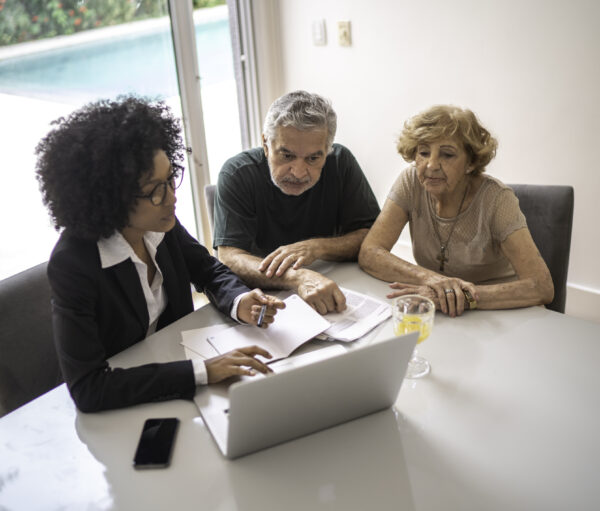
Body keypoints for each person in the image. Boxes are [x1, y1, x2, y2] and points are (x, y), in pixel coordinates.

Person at [35, 96, 284, 413]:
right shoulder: (74, 264)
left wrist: (239, 301)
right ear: (111, 199)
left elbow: (208, 270)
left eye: (170, 178)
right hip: (128, 404)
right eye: (155, 190)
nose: (172, 198)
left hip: (176, 373)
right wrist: (204, 371)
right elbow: (89, 388)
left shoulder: (160, 224)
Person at [359, 105, 554, 317]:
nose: (431, 165)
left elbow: (541, 286)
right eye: (423, 153)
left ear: (470, 163)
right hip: (447, 311)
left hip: (503, 311)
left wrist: (461, 296)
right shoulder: (411, 181)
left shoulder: (498, 199)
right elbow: (370, 252)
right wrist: (433, 280)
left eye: (447, 155)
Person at [213, 90, 381, 315]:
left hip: (337, 287)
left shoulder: (341, 162)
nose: (299, 172)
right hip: (263, 300)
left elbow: (373, 237)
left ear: (328, 150)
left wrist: (317, 247)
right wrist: (296, 277)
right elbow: (229, 257)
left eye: (313, 158)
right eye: (287, 156)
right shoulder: (237, 173)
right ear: (266, 144)